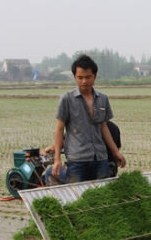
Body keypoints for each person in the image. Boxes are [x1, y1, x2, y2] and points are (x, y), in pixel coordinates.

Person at [51, 55, 126, 183]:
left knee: (102, 197)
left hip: (100, 158)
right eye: (80, 78)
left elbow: (103, 127)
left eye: (88, 77)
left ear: (95, 76)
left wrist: (115, 152)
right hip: (77, 160)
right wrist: (57, 159)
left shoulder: (102, 99)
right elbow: (59, 129)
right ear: (75, 77)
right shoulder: (67, 99)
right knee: (77, 198)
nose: (84, 81)